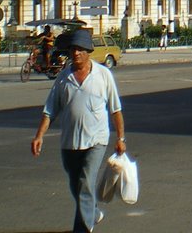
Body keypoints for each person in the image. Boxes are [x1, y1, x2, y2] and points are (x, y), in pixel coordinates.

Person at [31, 28, 126, 233]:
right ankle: (93, 211)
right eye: (73, 49)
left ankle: (82, 228)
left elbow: (115, 109)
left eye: (81, 49)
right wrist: (39, 136)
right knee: (76, 186)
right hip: (70, 142)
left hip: (96, 141)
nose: (76, 53)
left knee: (85, 182)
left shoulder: (103, 75)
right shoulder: (64, 78)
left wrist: (121, 138)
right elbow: (50, 110)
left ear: (89, 51)